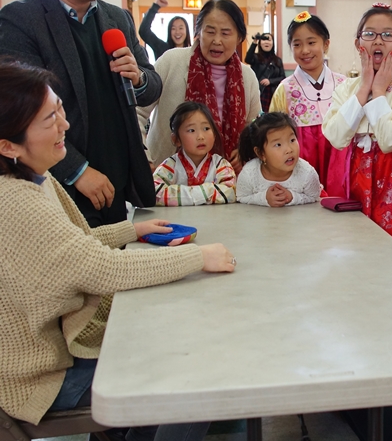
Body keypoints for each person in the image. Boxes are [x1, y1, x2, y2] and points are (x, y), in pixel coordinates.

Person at [0, 62, 236, 438]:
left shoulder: (34, 176)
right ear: (8, 145)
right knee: (201, 372)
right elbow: (103, 268)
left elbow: (73, 243)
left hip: (60, 344)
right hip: (44, 373)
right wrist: (198, 257)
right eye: (49, 120)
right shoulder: (16, 200)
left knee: (175, 333)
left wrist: (132, 229)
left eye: (60, 110)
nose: (65, 125)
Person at [0, 0, 163, 228]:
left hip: (119, 182)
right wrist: (77, 171)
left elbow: (152, 86)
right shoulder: (21, 20)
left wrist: (138, 78)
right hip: (64, 187)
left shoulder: (118, 18)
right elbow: (20, 112)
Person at [323, 3, 392, 261]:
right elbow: (336, 137)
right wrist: (364, 89)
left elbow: (389, 139)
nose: (378, 41)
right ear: (358, 43)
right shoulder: (347, 88)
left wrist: (380, 91)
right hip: (356, 180)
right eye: (369, 34)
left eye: (388, 34)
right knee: (357, 253)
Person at [139, 0, 261, 170]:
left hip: (225, 179)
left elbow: (253, 127)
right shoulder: (171, 62)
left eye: (225, 33)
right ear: (198, 32)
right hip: (167, 178)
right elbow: (138, 112)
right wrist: (144, 159)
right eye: (210, 32)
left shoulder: (247, 77)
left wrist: (244, 151)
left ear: (239, 37)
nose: (217, 40)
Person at [269, 12, 348, 196]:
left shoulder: (344, 85)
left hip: (338, 162)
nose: (305, 50)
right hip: (300, 165)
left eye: (311, 42)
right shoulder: (285, 89)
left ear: (326, 44)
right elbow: (274, 134)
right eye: (297, 44)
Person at [153, 101, 237, 206]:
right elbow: (154, 193)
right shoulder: (170, 165)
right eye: (191, 130)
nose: (200, 137)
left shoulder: (220, 165)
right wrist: (207, 192)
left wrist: (182, 194)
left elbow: (230, 192)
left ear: (214, 134)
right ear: (176, 139)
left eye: (206, 128)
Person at [236, 112, 321, 207]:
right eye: (278, 145)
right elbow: (241, 198)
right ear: (261, 153)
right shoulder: (249, 174)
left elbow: (315, 198)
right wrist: (264, 198)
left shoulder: (307, 174)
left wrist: (293, 197)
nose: (289, 150)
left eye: (292, 140)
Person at [246, 32, 286, 112]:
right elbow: (248, 59)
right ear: (260, 43)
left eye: (269, 40)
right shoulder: (256, 57)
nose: (267, 42)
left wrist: (270, 81)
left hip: (273, 95)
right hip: (259, 94)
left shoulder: (277, 60)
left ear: (273, 43)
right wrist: (255, 41)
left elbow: (282, 77)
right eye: (264, 40)